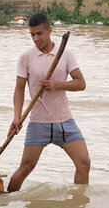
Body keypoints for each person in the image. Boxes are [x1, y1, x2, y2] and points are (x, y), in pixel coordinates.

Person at [7, 13, 91, 192]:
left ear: (50, 31)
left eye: (39, 34)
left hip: (65, 122)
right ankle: (6, 202)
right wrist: (17, 117)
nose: (36, 39)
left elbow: (81, 84)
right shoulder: (26, 57)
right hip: (39, 123)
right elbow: (19, 89)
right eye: (32, 35)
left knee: (84, 163)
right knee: (25, 168)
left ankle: (79, 203)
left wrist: (56, 84)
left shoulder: (65, 55)